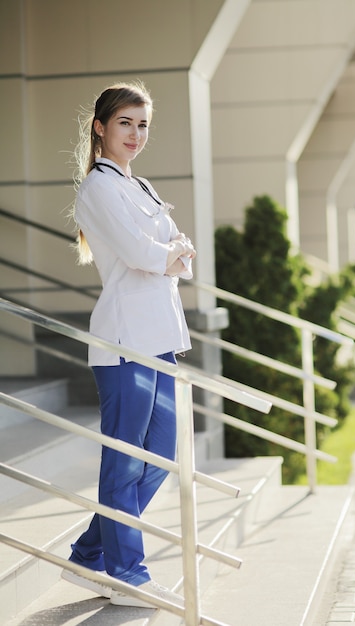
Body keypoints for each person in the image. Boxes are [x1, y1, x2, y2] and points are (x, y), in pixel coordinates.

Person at [61, 81, 196, 609]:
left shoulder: (139, 186)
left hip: (159, 338)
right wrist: (168, 252)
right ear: (100, 127)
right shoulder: (98, 187)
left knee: (159, 457)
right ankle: (127, 574)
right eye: (125, 123)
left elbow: (177, 251)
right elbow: (147, 253)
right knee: (124, 460)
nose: (136, 134)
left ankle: (90, 553)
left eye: (142, 125)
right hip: (123, 343)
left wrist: (168, 252)